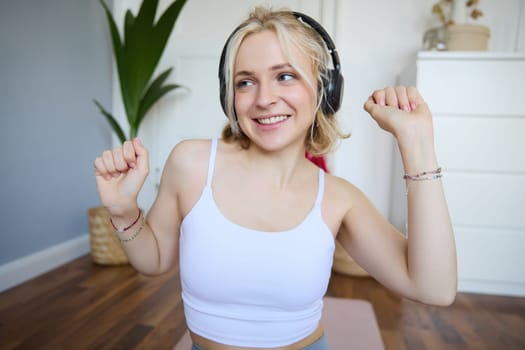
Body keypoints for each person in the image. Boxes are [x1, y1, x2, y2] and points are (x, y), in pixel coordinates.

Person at [93, 7, 457, 350]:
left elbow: (434, 289)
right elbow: (154, 261)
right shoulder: (190, 163)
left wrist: (417, 143)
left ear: (324, 90)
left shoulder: (338, 199)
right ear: (228, 96)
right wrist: (125, 212)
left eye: (285, 76)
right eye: (245, 82)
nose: (264, 99)